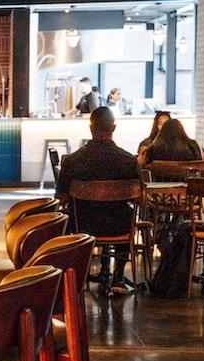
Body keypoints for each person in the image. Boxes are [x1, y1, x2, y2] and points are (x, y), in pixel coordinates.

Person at [58, 106, 142, 296]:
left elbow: (61, 197)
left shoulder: (72, 161)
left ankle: (80, 273)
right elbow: (140, 199)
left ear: (90, 128)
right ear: (113, 128)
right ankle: (118, 276)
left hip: (84, 226)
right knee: (127, 214)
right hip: (118, 227)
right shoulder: (129, 161)